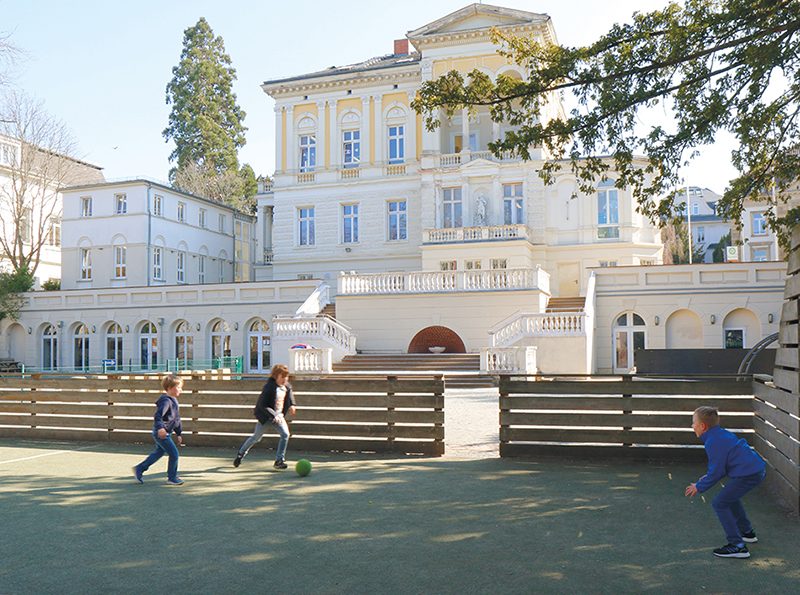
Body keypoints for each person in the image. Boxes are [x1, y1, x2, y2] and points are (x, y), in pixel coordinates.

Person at [685, 406, 766, 558]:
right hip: (754, 470)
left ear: (703, 426)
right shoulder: (721, 435)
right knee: (729, 498)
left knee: (719, 503)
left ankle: (738, 546)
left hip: (748, 474)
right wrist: (708, 477)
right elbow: (721, 467)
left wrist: (699, 486)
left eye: (693, 422)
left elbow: (716, 472)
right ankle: (746, 532)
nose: (692, 426)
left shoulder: (713, 441)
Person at [234, 364, 296, 470]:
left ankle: (279, 460)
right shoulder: (269, 388)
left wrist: (292, 405)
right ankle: (241, 453)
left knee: (285, 434)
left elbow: (290, 394)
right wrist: (273, 415)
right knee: (256, 438)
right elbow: (263, 405)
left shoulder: (286, 386)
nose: (285, 379)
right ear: (275, 377)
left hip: (279, 416)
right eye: (282, 377)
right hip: (266, 417)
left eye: (287, 377)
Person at [133, 374, 185, 485]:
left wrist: (179, 433)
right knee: (174, 454)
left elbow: (176, 418)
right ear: (170, 388)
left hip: (167, 433)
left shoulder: (174, 400)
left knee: (159, 452)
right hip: (161, 433)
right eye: (179, 387)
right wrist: (161, 428)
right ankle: (172, 477)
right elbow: (158, 416)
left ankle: (139, 468)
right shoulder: (166, 401)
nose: (181, 389)